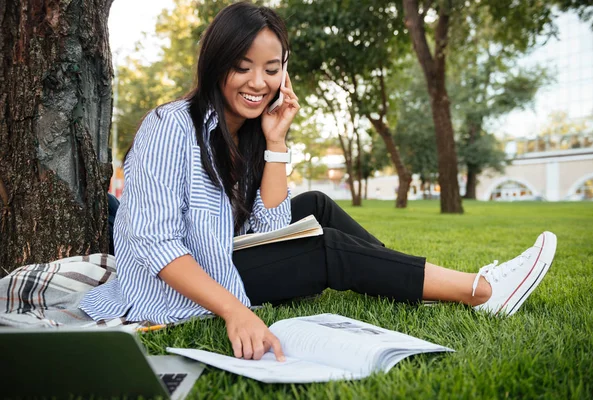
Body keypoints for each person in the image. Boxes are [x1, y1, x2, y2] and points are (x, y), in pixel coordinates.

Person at [79, 2, 557, 362]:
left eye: (272, 68)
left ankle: (401, 278)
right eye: (241, 66)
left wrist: (275, 138)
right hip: (178, 289)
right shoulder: (171, 125)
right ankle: (483, 291)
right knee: (323, 247)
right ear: (215, 64)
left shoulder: (245, 132)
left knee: (316, 204)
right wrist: (235, 312)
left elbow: (269, 220)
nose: (257, 82)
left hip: (222, 256)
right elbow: (155, 243)